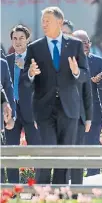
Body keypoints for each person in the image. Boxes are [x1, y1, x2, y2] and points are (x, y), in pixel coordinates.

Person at [22, 6, 89, 184]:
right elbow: (24, 80)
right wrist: (30, 73)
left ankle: (59, 192)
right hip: (44, 108)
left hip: (69, 108)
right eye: (42, 21)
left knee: (65, 154)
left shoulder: (75, 45)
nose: (44, 24)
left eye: (47, 21)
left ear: (60, 22)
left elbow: (85, 75)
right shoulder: (35, 47)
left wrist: (76, 72)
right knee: (48, 150)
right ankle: (42, 191)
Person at [5, 25, 41, 183]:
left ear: (27, 40)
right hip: (11, 113)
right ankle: (13, 189)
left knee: (37, 152)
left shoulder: (36, 61)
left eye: (21, 38)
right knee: (11, 152)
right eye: (14, 38)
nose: (18, 42)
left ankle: (39, 187)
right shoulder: (6, 61)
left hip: (32, 113)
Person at [73, 29, 102, 176]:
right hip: (73, 112)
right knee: (74, 149)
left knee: (93, 146)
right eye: (82, 43)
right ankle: (74, 180)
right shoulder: (67, 62)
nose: (86, 45)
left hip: (93, 112)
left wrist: (99, 82)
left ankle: (94, 180)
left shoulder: (98, 60)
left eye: (87, 42)